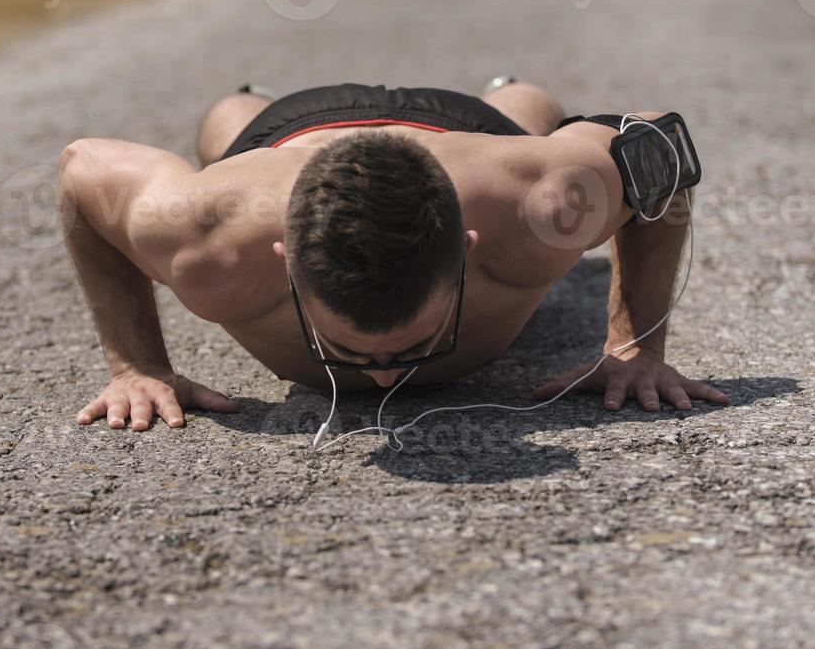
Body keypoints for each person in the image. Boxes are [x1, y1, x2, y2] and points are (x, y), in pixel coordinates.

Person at [58, 81, 728, 433]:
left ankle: (517, 92)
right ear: (285, 261)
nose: (383, 387)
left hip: (467, 137)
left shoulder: (542, 206)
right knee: (231, 121)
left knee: (523, 113)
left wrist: (635, 346)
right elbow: (81, 167)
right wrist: (137, 363)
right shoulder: (205, 243)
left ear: (466, 252)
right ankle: (243, 104)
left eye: (412, 348)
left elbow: (655, 144)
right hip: (294, 132)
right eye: (351, 353)